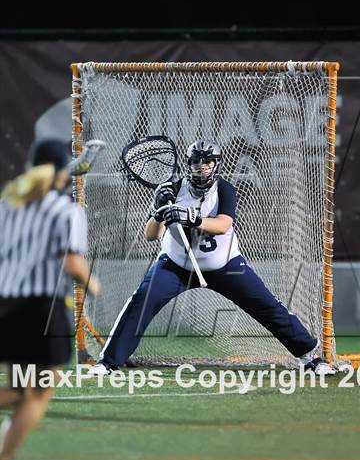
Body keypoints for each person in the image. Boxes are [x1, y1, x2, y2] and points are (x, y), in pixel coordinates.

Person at [91, 139, 333, 377]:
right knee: (140, 303)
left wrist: (192, 218)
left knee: (267, 306)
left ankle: (310, 356)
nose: (202, 166)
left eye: (208, 161)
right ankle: (108, 362)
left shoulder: (224, 189)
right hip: (175, 265)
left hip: (224, 265)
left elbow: (223, 224)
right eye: (197, 161)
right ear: (189, 163)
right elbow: (150, 235)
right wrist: (157, 212)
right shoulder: (172, 189)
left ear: (216, 164)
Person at [0, 139, 100, 460]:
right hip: (39, 310)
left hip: (5, 306)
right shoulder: (65, 210)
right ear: (62, 172)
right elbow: (72, 261)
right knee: (37, 392)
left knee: (19, 388)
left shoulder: (7, 204)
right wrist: (93, 283)